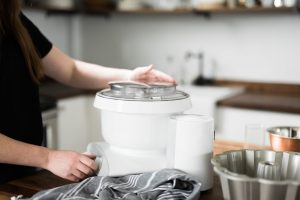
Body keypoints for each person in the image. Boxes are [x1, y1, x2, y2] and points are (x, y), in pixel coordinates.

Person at [0, 0, 176, 184]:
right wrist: (48, 158)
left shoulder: (14, 20)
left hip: (23, 174)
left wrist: (129, 77)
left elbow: (70, 69)